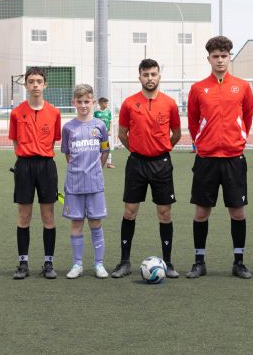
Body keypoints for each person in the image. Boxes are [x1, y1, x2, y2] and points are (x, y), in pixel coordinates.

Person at [186, 35, 253, 279]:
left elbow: (247, 116)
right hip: (206, 159)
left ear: (229, 57)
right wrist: (203, 141)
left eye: (224, 56)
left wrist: (237, 139)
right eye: (215, 56)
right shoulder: (198, 88)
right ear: (209, 59)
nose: (220, 60)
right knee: (201, 212)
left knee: (237, 212)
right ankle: (199, 261)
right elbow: (193, 121)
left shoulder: (243, 87)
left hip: (234, 158)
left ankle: (239, 262)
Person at [111, 58, 182, 278]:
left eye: (153, 74)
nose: (150, 78)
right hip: (136, 164)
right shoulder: (129, 103)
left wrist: (162, 148)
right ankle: (124, 262)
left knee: (164, 212)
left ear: (159, 76)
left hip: (161, 164)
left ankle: (168, 263)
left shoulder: (169, 103)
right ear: (139, 76)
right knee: (130, 212)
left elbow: (177, 133)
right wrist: (138, 150)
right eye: (146, 74)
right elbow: (122, 134)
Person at [9, 67, 62, 279]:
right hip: (24, 166)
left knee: (48, 215)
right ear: (26, 85)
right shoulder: (16, 112)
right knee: (24, 216)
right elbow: (15, 140)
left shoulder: (54, 112)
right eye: (31, 81)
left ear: (45, 85)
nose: (35, 85)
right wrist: (25, 157)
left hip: (46, 166)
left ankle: (48, 263)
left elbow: (55, 139)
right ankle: (23, 263)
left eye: (39, 81)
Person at [61, 84, 110, 279]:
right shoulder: (68, 128)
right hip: (74, 185)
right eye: (79, 102)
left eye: (87, 101)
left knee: (96, 223)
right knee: (76, 224)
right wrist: (78, 170)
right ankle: (77, 264)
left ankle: (99, 264)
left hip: (95, 184)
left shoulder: (100, 126)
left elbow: (104, 150)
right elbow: (67, 154)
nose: (83, 105)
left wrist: (95, 169)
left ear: (93, 102)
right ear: (73, 103)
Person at [94, 97, 115, 169]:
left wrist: (110, 131)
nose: (106, 104)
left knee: (106, 147)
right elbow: (94, 123)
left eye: (106, 102)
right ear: (100, 104)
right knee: (98, 147)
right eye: (104, 102)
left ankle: (109, 163)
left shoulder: (108, 112)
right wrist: (95, 132)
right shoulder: (96, 113)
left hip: (106, 133)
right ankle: (97, 162)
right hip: (99, 133)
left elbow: (110, 122)